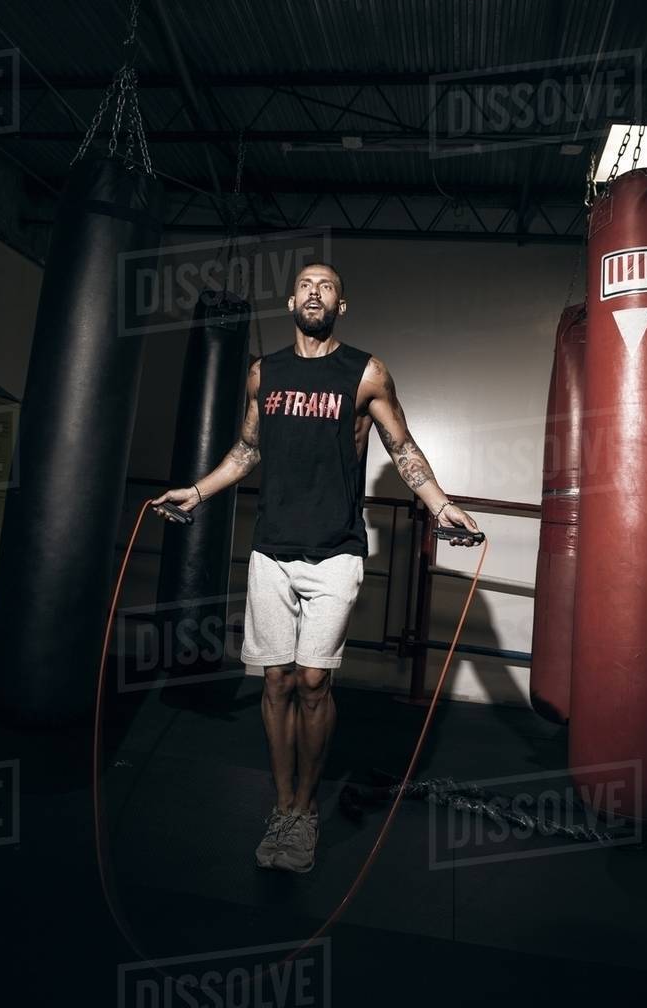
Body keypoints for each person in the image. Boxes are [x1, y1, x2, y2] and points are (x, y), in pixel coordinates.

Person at [151, 263, 481, 874]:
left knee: (312, 683)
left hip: (336, 552)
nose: (313, 292)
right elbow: (248, 449)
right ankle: (282, 805)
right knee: (274, 682)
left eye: (325, 285)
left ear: (341, 304)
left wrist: (438, 505)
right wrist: (196, 493)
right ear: (290, 299)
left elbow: (400, 446)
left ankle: (305, 807)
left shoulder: (365, 372)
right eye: (304, 283)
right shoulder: (263, 373)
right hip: (272, 549)